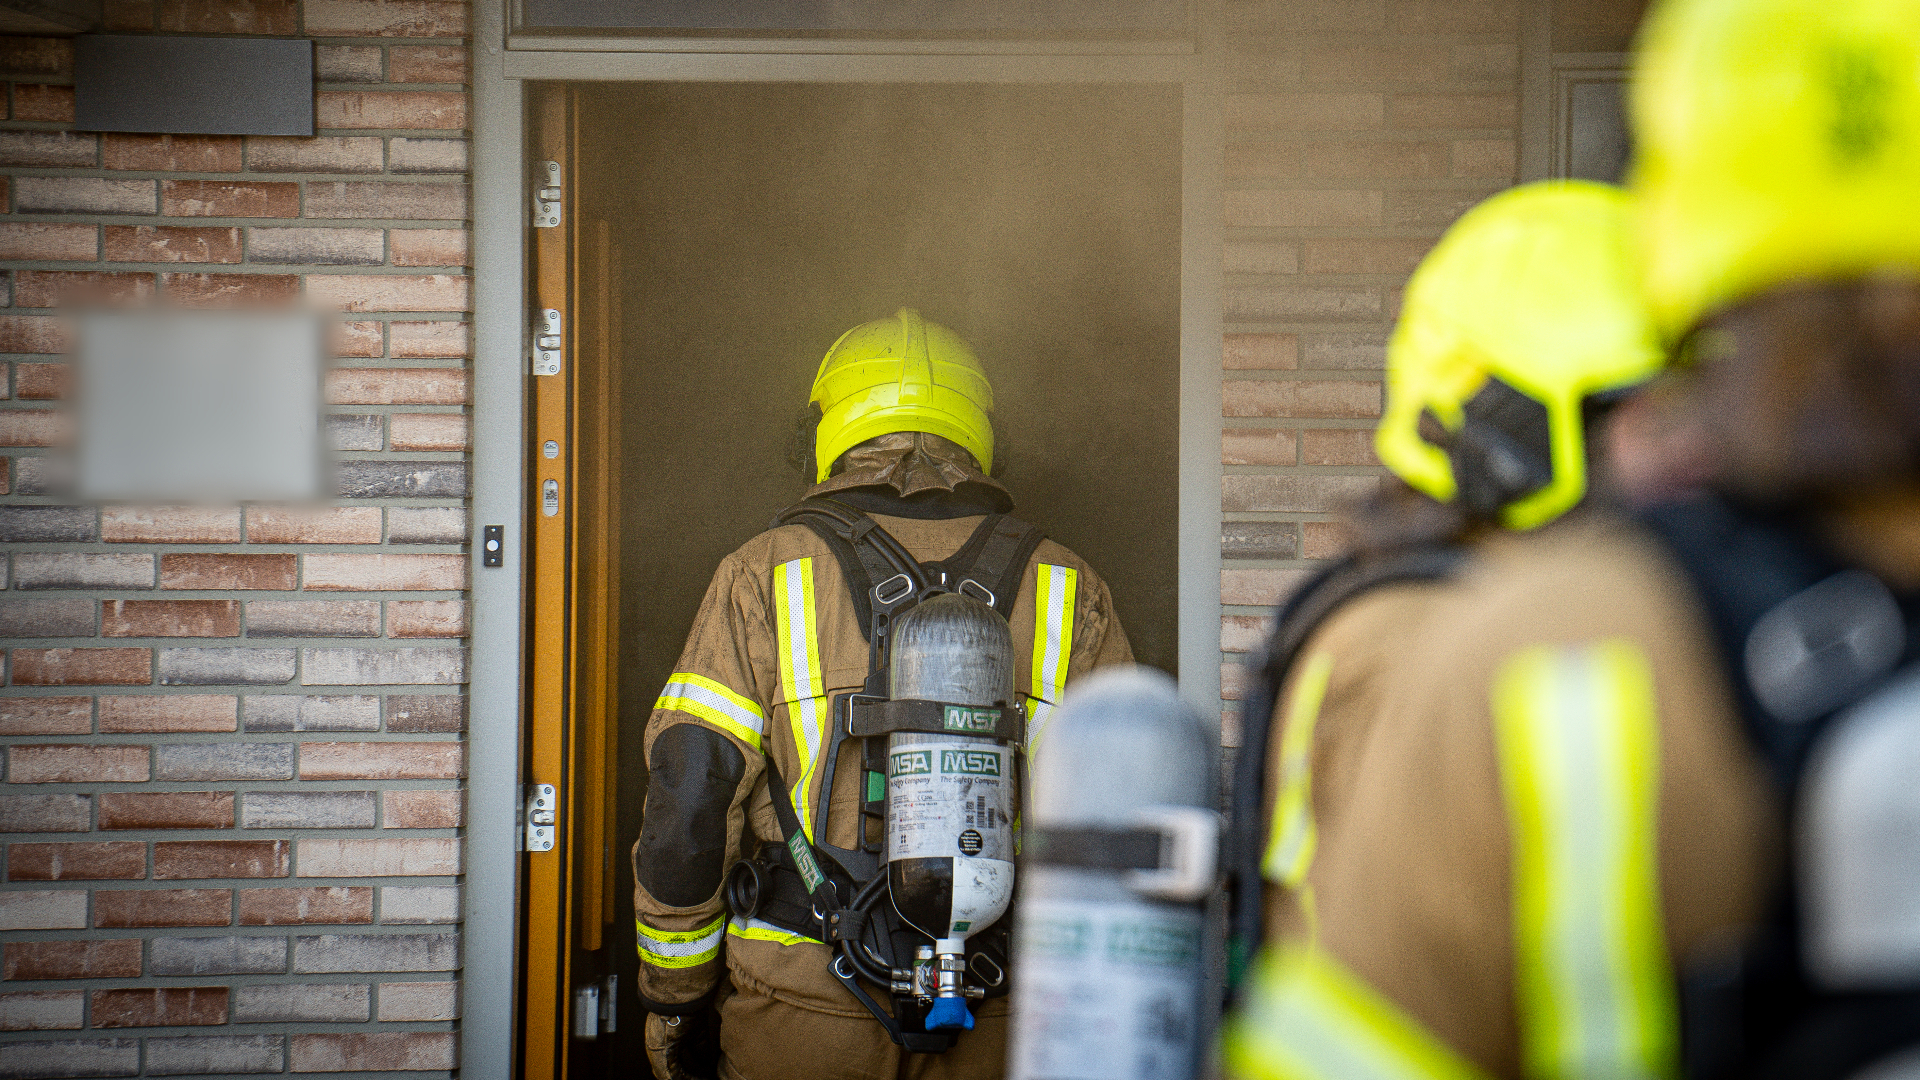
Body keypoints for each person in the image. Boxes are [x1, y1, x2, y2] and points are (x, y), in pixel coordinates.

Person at [1223, 0, 1920, 1076]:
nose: (1663, 450)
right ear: (1507, 444)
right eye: (1623, 413)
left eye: (1669, 399)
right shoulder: (1452, 637)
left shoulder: (1547, 654)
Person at [632, 309, 1133, 1080]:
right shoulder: (1071, 585)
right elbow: (1120, 825)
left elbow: (692, 794)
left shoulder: (764, 573)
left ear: (825, 432)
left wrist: (675, 997)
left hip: (798, 1017)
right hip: (1004, 1013)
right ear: (976, 432)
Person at [1227, 179, 1670, 983]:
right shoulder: (1404, 643)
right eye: (1626, 419)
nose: (1678, 461)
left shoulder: (1507, 611)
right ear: (1504, 442)